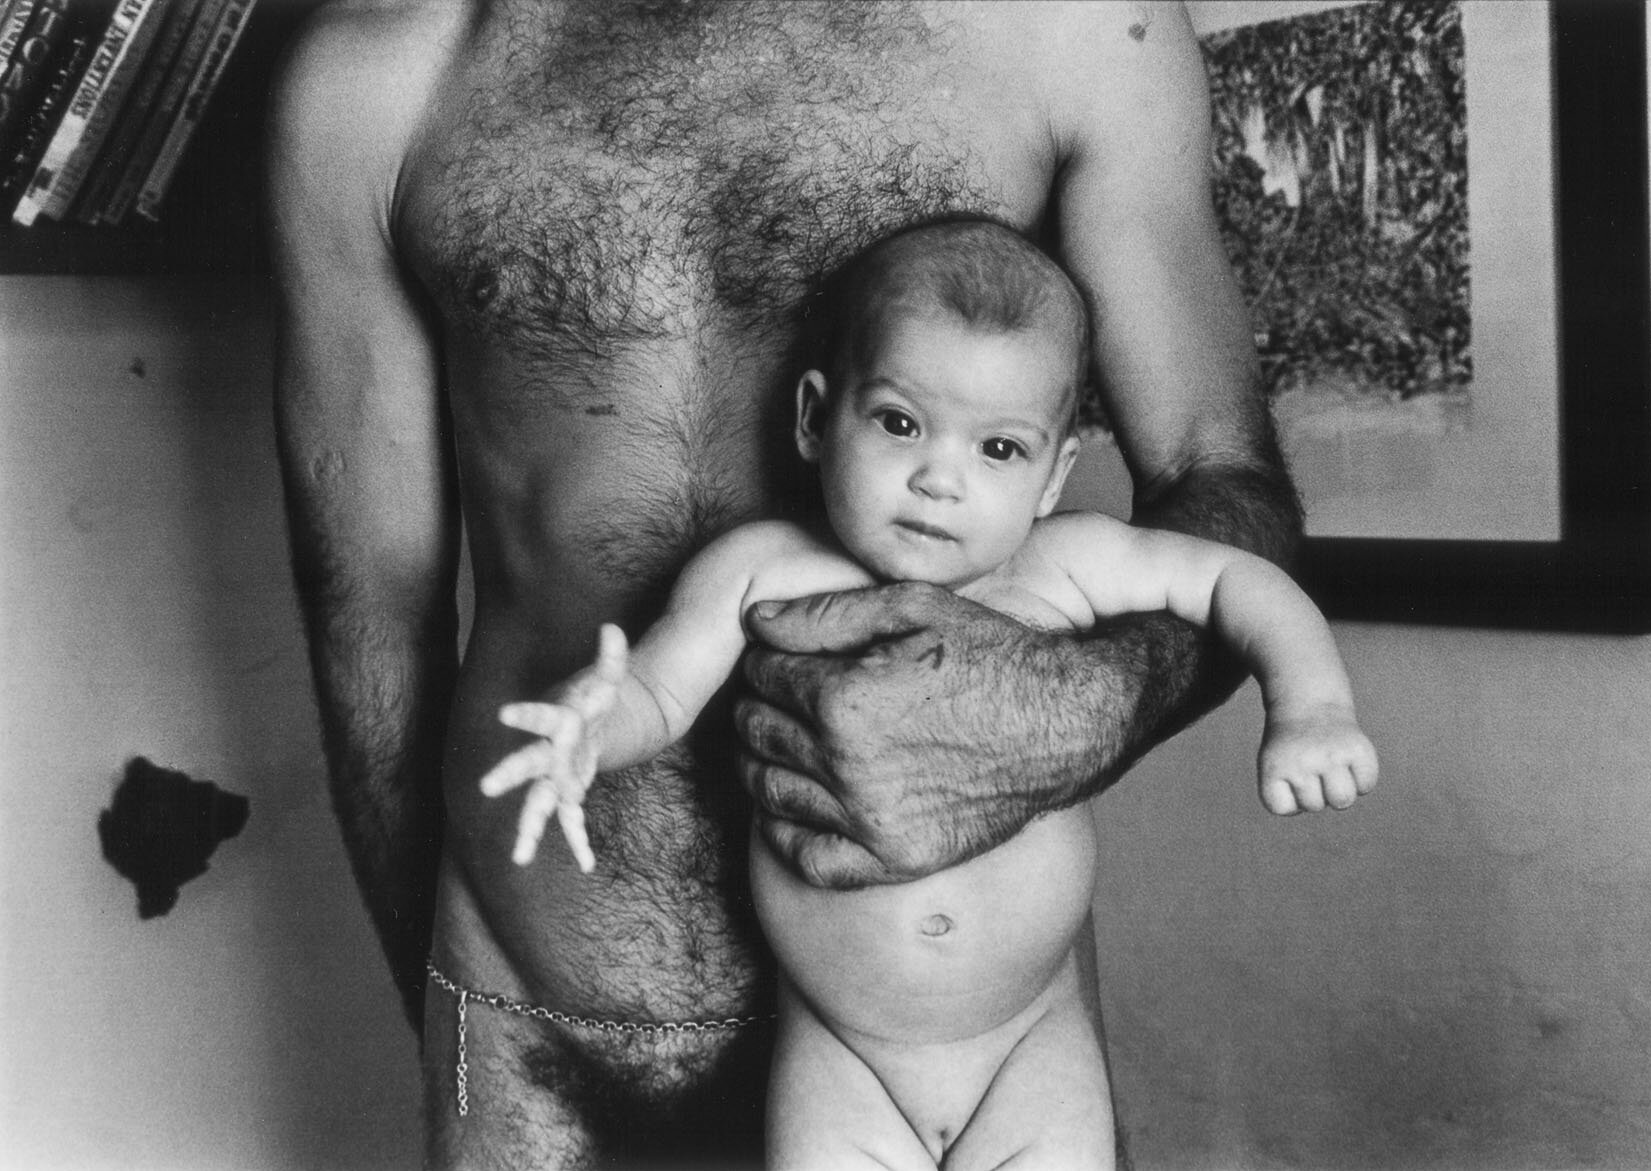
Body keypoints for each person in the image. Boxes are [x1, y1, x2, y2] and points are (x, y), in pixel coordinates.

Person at [268, 2, 1305, 1166]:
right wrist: (438, 999)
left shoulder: (1069, 29)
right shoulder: (378, 75)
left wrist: (1080, 705)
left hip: (946, 1045)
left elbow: (1229, 489)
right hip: (530, 1027)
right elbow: (369, 610)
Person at [478, 219, 1377, 1171]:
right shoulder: (761, 570)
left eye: (998, 449)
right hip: (841, 1060)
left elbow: (1239, 581)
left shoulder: (1065, 563)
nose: (939, 477)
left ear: (1053, 476)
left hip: (1029, 1047)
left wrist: (1311, 705)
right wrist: (590, 726)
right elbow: (658, 690)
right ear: (817, 419)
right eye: (900, 423)